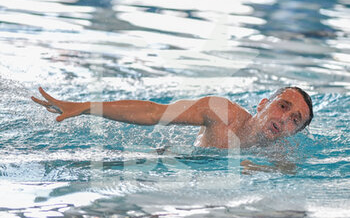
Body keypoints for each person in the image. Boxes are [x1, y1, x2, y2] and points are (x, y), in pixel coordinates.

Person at [31, 86, 313, 149]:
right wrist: (85, 106)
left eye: (295, 120)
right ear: (264, 103)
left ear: (295, 133)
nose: (285, 119)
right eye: (283, 106)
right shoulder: (221, 113)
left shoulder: (282, 159)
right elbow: (154, 112)